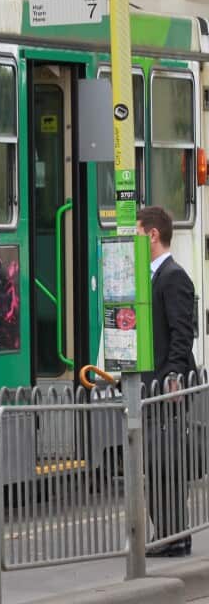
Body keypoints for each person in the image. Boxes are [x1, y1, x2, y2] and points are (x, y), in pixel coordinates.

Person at [138, 205, 197, 557]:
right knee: (156, 463)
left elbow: (181, 333)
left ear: (153, 235)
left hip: (166, 387)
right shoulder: (153, 276)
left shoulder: (172, 276)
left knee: (166, 464)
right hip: (154, 385)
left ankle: (175, 536)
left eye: (137, 233)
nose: (134, 239)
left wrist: (171, 376)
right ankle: (170, 533)